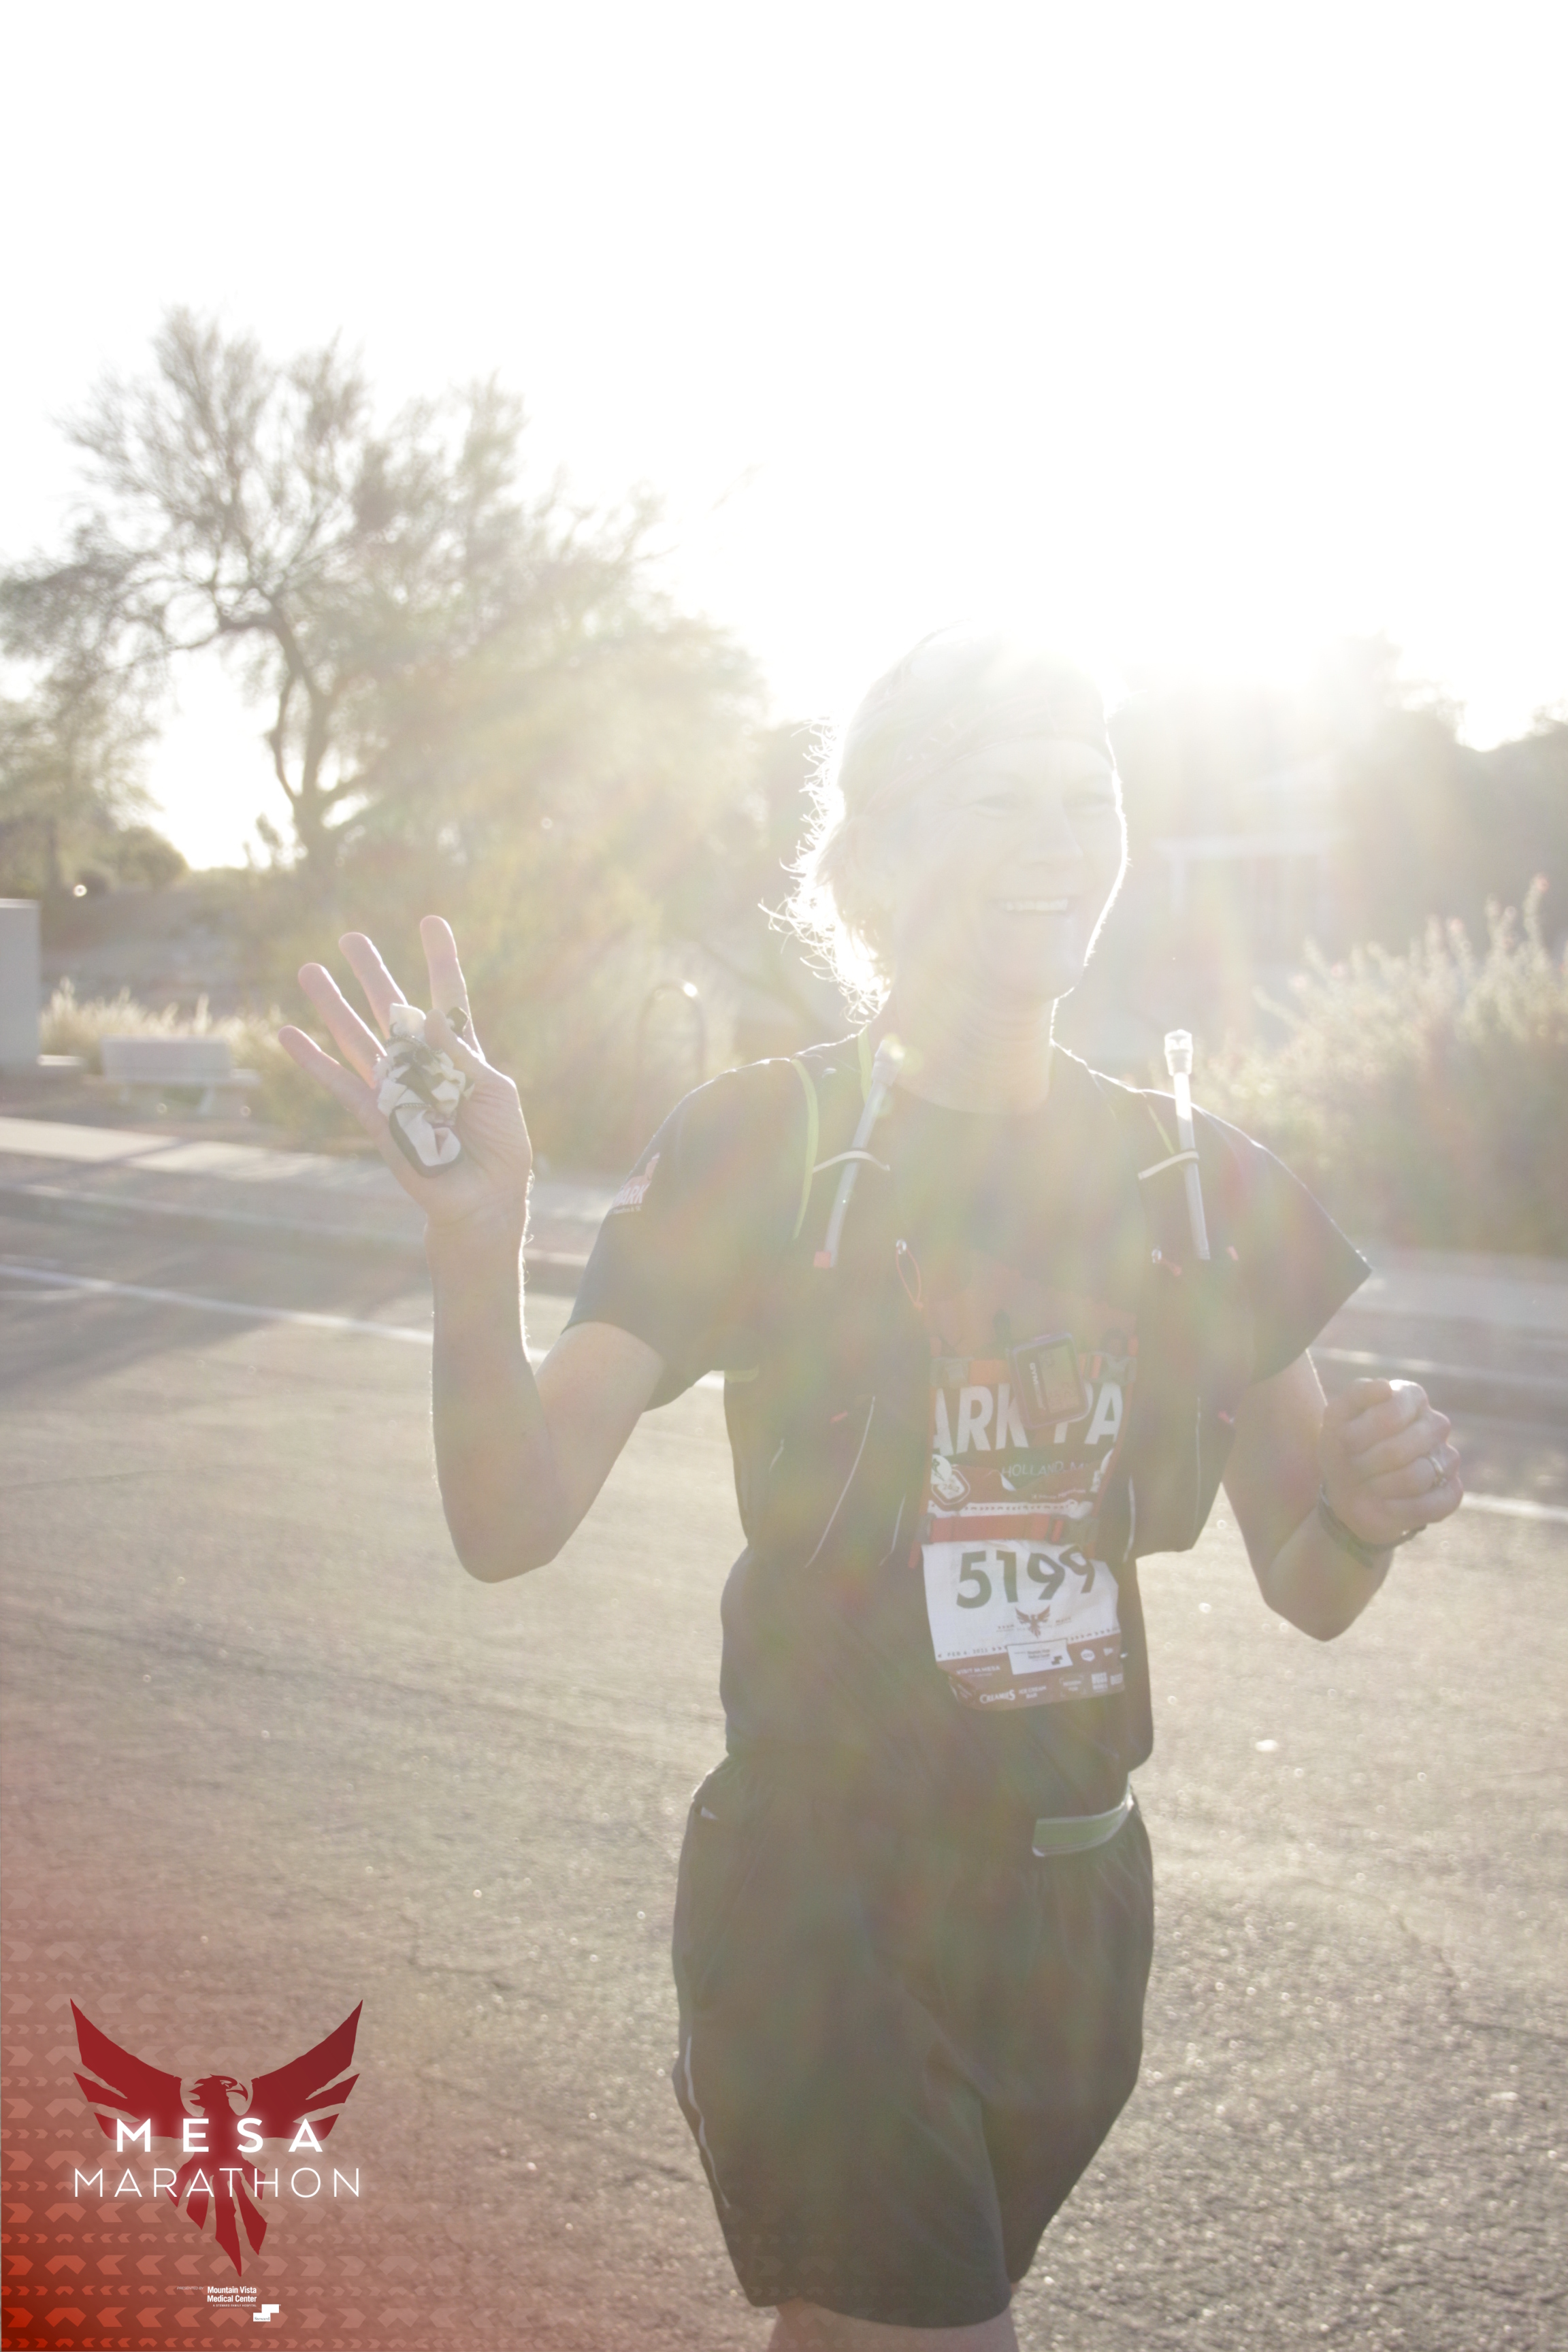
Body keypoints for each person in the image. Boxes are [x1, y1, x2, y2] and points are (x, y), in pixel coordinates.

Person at [280, 627, 1463, 2350]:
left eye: (1088, 798)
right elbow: (510, 1517)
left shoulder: (1194, 1175)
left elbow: (1313, 1581)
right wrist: (480, 1242)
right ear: (881, 862)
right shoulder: (763, 1142)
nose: (1059, 841)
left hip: (1073, 1922)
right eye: (1000, 800)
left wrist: (1365, 1500)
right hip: (826, 1906)